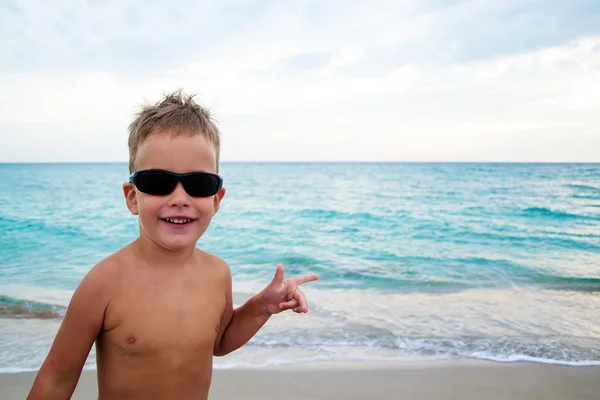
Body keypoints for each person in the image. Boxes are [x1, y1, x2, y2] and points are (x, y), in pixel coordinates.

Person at [27, 89, 319, 400]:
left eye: (198, 184)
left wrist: (262, 307)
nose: (179, 199)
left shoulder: (217, 273)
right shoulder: (104, 283)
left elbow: (218, 342)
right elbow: (55, 382)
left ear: (216, 199)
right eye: (158, 182)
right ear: (132, 197)